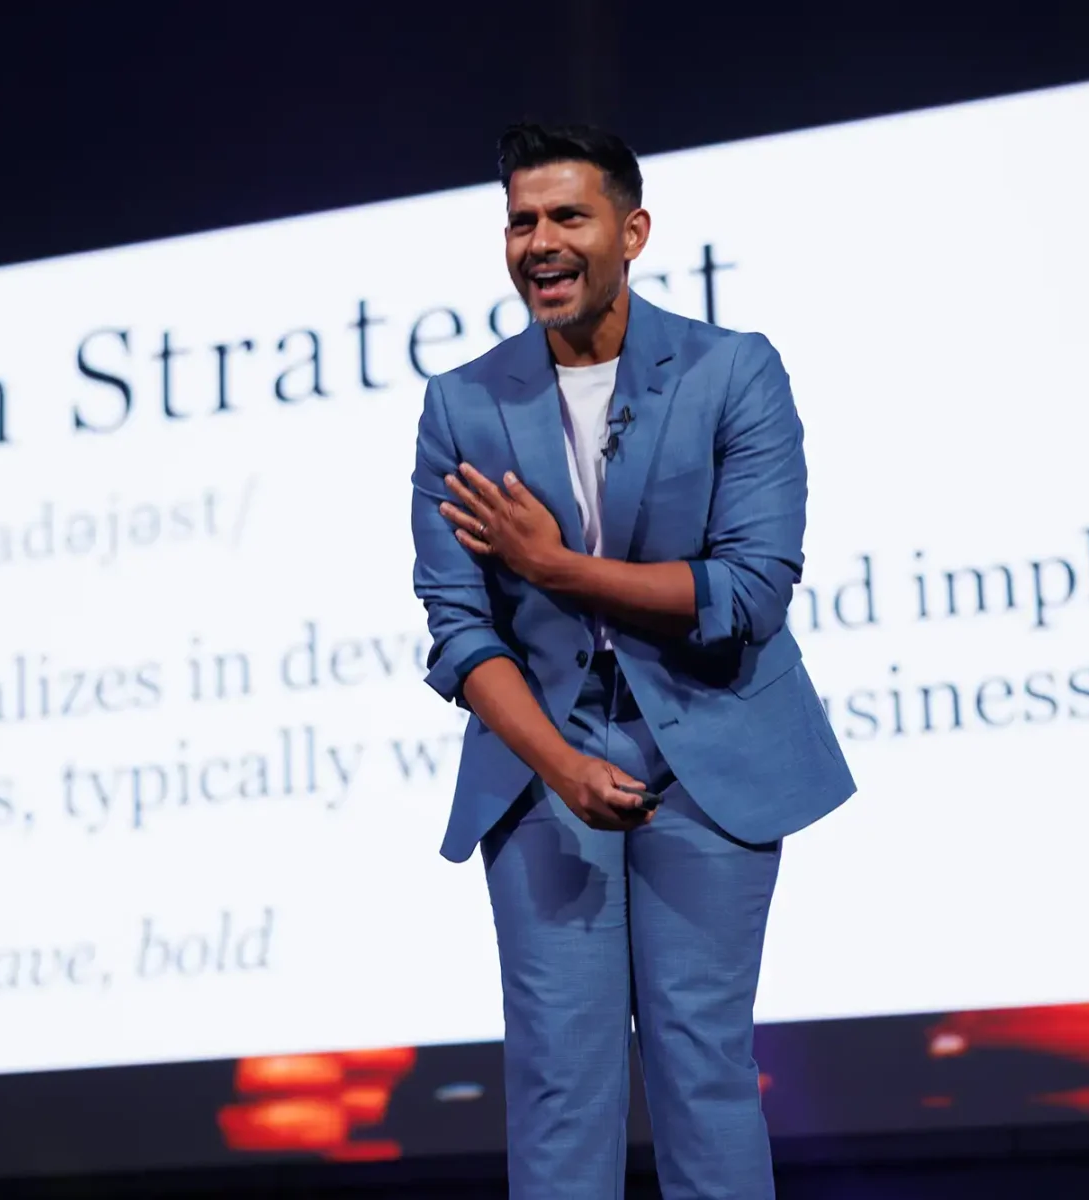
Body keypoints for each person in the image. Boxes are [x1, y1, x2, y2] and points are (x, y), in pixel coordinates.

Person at [409, 122, 856, 1198]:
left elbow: (744, 596)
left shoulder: (731, 371)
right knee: (562, 1075)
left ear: (632, 230)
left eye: (568, 216)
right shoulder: (463, 403)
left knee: (702, 1066)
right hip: (543, 758)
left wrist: (557, 568)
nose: (540, 242)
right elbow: (460, 629)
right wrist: (561, 767)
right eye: (521, 220)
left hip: (708, 749)